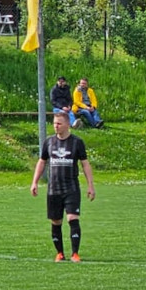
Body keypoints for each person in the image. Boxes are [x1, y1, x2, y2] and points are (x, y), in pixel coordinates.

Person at [31, 111, 95, 262]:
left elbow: (85, 164)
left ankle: (75, 253)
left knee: (72, 218)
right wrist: (34, 182)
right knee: (56, 221)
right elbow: (42, 162)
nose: (56, 126)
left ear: (67, 124)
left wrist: (90, 186)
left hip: (71, 188)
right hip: (53, 189)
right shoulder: (49, 142)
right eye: (54, 123)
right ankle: (60, 253)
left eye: (59, 123)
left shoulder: (77, 142)